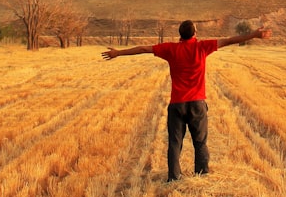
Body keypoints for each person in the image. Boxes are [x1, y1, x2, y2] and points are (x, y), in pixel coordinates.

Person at [101, 19, 272, 181]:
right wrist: (254, 35)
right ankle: (202, 174)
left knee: (175, 143)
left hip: (177, 104)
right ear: (195, 33)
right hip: (197, 103)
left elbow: (143, 49)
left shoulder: (170, 49)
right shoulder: (202, 47)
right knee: (200, 142)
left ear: (180, 34)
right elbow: (230, 40)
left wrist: (118, 53)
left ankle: (174, 177)